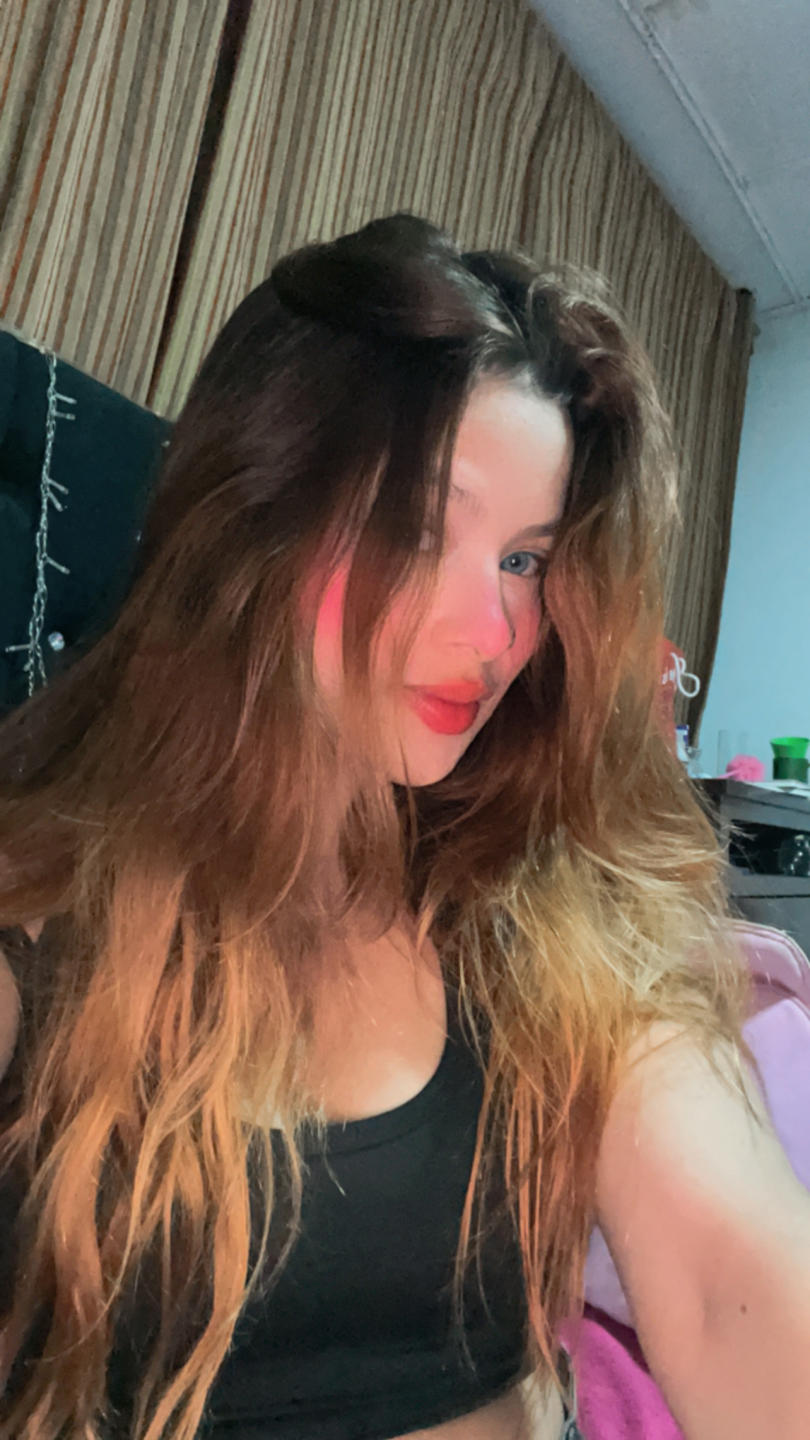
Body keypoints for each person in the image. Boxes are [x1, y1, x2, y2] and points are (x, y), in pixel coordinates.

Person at [0, 212, 808, 1440]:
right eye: (421, 530)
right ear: (256, 515)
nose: (494, 634)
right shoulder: (42, 917)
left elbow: (725, 1282)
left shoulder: (541, 897)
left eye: (526, 562)